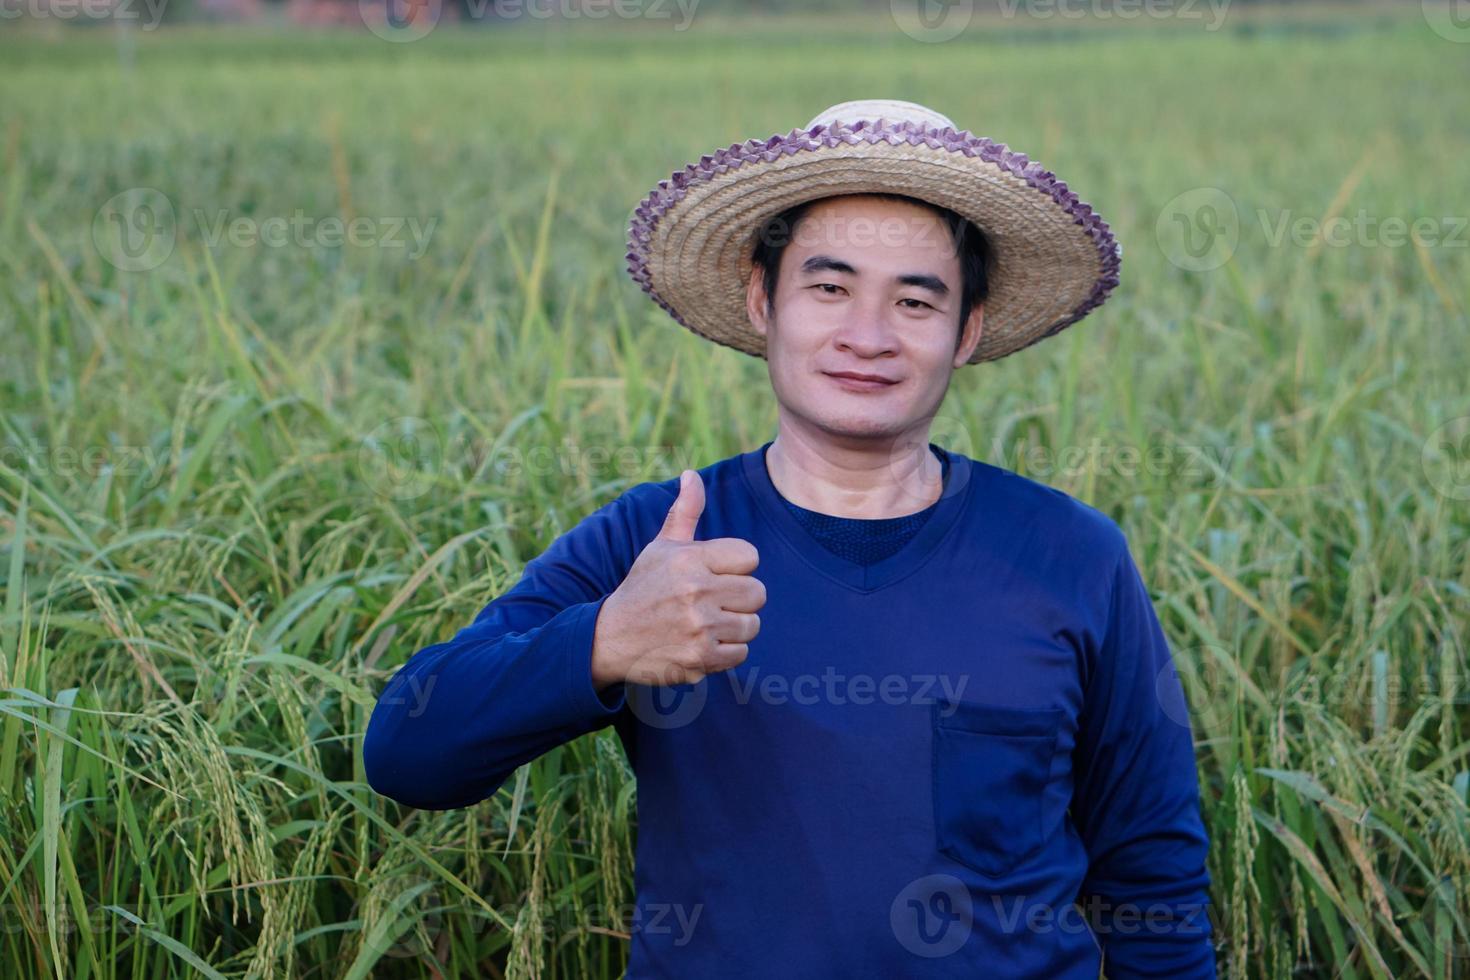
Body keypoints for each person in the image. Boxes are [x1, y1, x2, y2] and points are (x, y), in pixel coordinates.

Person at [363, 98, 1215, 978]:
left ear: (966, 333)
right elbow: (406, 752)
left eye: (915, 301)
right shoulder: (661, 543)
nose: (867, 336)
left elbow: (1153, 872)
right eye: (830, 287)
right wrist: (607, 642)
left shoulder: (1070, 555)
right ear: (763, 300)